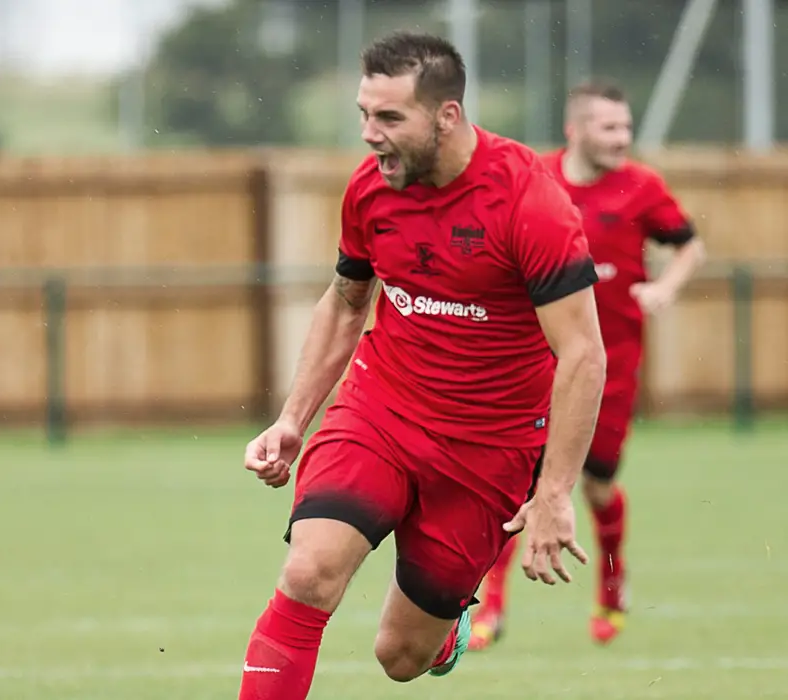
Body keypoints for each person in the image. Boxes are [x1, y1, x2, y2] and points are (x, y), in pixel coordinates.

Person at [238, 32, 607, 700]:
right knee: (310, 571)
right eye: (363, 114)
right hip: (381, 411)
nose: (369, 135)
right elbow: (348, 303)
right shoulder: (370, 190)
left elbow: (583, 353)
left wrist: (553, 492)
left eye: (388, 118)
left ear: (447, 115)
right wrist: (292, 419)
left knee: (402, 657)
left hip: (489, 446)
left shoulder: (530, 202)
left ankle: (446, 629)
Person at [469, 80, 707, 651]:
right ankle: (490, 607)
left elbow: (690, 245)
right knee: (516, 485)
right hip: (534, 363)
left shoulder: (643, 187)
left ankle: (611, 585)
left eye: (626, 127)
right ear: (576, 130)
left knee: (597, 486)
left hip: (610, 369)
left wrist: (666, 289)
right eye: (609, 127)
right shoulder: (537, 178)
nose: (622, 138)